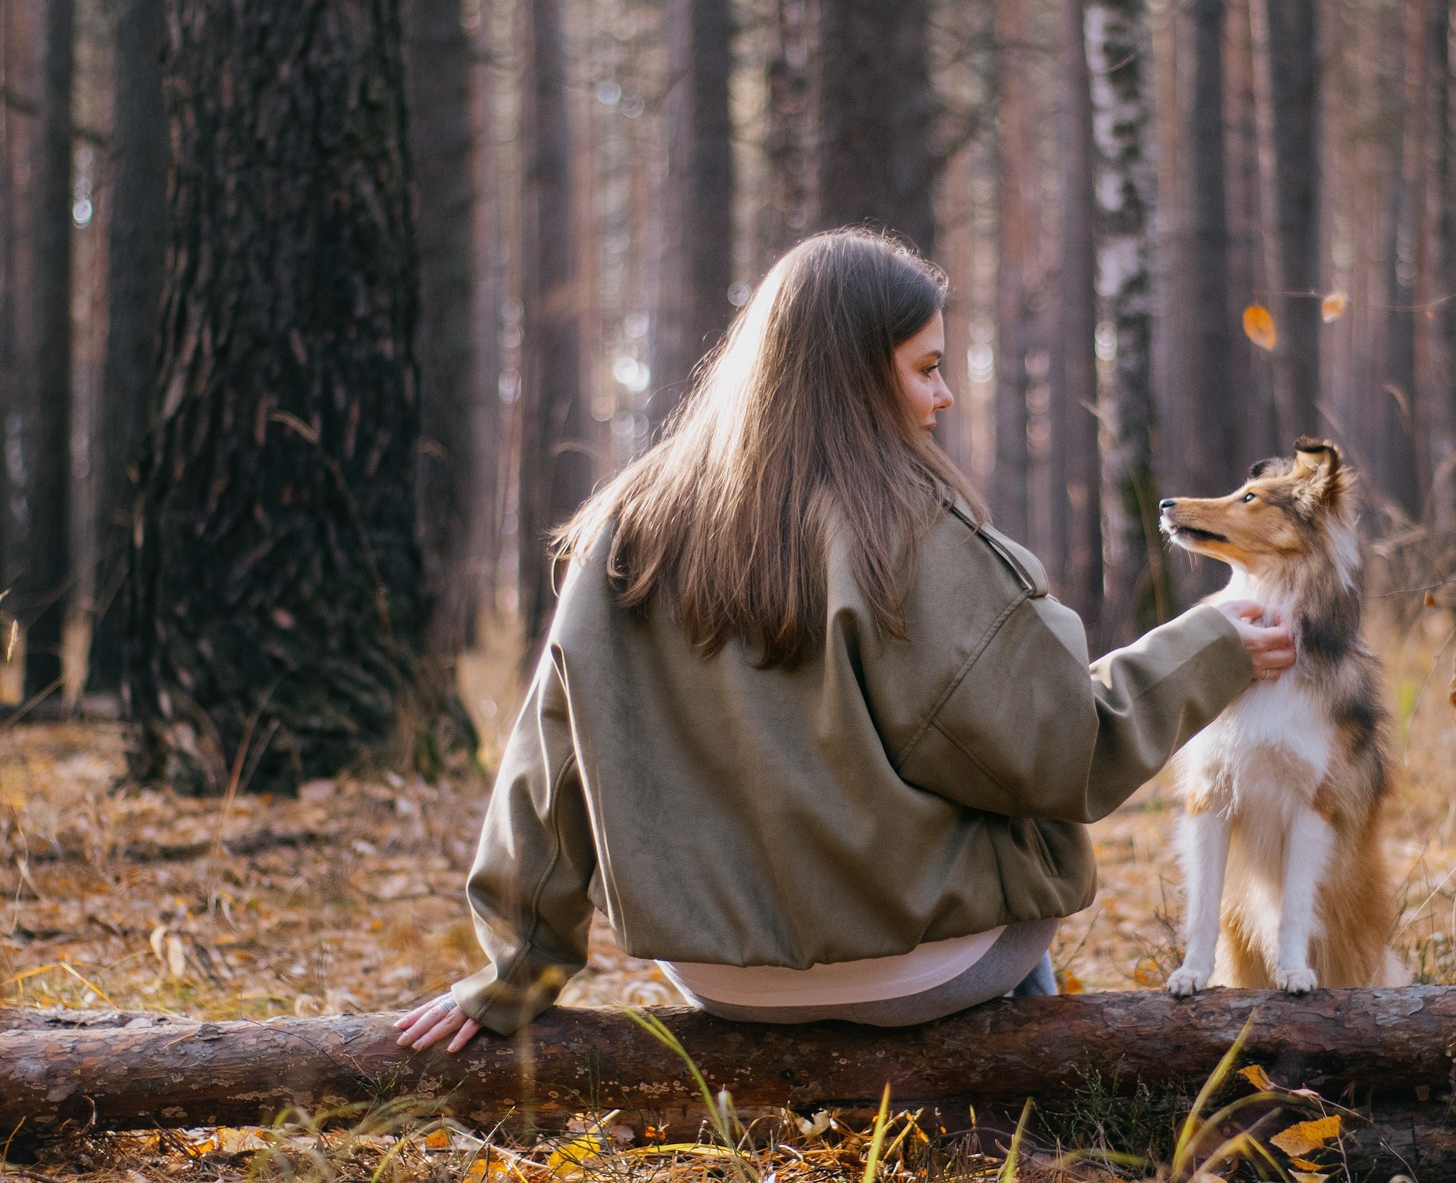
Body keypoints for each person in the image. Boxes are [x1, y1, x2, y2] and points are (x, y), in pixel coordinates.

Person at [397, 229, 1294, 1051]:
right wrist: (1208, 645)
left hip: (719, 977)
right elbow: (1058, 748)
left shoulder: (629, 528)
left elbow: (550, 768)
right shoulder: (905, 528)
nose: (943, 395)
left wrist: (516, 972)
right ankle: (1037, 1100)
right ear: (858, 373)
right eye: (927, 367)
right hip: (924, 966)